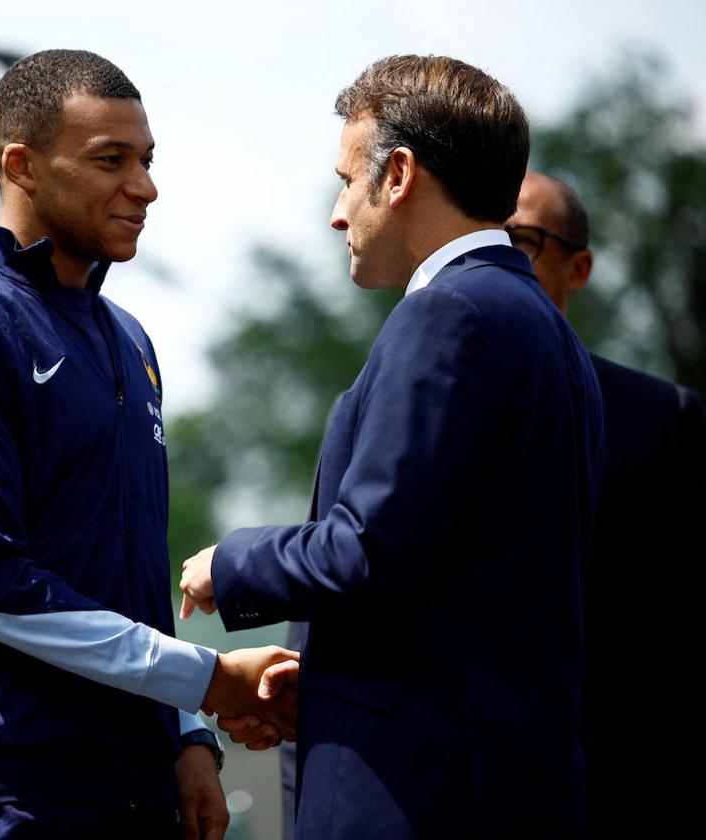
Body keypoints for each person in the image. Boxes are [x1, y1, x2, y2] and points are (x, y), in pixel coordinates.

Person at [0, 49, 294, 839]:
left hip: (132, 781)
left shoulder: (128, 338)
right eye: (111, 160)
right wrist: (206, 680)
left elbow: (120, 567)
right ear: (20, 165)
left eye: (148, 160)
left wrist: (188, 734)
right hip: (4, 784)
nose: (146, 186)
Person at [180, 55, 605, 839]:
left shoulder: (448, 314)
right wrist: (327, 681)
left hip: (417, 795)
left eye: (346, 180)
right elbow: (463, 580)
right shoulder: (549, 332)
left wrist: (228, 563)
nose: (339, 213)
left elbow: (367, 550)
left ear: (399, 175)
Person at [507, 171, 706, 836]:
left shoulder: (663, 419)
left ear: (579, 267)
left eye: (523, 240)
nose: (496, 258)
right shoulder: (376, 406)